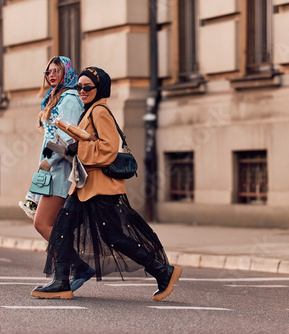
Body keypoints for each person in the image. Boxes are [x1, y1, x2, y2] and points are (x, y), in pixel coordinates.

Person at [31, 66, 182, 301]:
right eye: (79, 86)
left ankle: (163, 271)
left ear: (99, 87)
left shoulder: (100, 111)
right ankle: (61, 282)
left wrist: (79, 147)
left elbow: (109, 149)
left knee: (115, 237)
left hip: (100, 187)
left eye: (87, 87)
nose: (82, 90)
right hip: (83, 186)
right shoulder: (90, 110)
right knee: (61, 230)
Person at [19, 56, 84, 241]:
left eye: (57, 70)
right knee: (56, 225)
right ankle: (68, 265)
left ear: (67, 71)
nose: (52, 75)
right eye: (48, 71)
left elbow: (69, 137)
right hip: (51, 168)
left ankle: (76, 264)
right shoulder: (56, 96)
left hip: (60, 169)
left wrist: (50, 160)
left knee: (41, 223)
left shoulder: (70, 99)